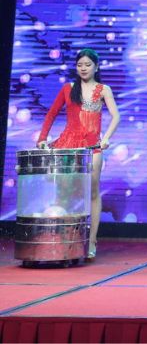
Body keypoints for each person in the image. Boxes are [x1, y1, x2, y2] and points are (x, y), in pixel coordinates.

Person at [37, 48, 120, 260]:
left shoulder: (103, 89)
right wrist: (42, 138)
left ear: (96, 67)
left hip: (93, 146)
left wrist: (106, 138)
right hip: (68, 145)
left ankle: (91, 240)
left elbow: (115, 116)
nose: (83, 68)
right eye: (80, 65)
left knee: (92, 190)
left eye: (88, 65)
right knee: (64, 192)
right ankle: (65, 240)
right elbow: (52, 114)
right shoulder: (68, 88)